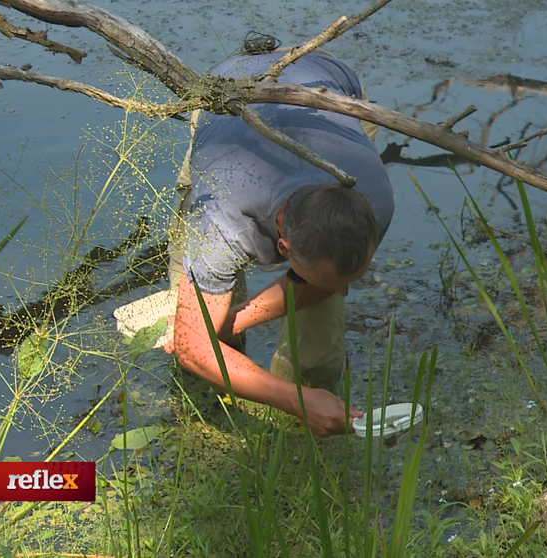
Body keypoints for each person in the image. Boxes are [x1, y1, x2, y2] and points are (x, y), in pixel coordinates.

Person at [166, 49, 394, 437]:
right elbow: (191, 346)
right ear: (284, 250)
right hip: (229, 100)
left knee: (318, 346)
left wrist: (238, 315)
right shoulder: (220, 220)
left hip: (327, 87)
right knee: (201, 337)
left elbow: (324, 283)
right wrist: (214, 334)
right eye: (337, 281)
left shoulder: (374, 200)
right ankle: (213, 423)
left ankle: (297, 437)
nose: (345, 291)